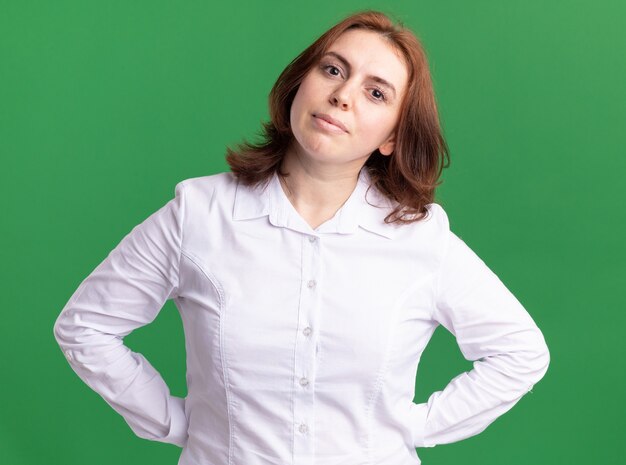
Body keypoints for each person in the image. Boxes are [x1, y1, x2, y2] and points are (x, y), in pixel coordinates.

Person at [53, 10, 550, 465]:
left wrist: (411, 427)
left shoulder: (421, 239)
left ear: (391, 138)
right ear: (299, 85)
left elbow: (520, 353)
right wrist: (174, 422)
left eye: (376, 93)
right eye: (333, 70)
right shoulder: (198, 214)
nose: (343, 95)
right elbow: (85, 328)